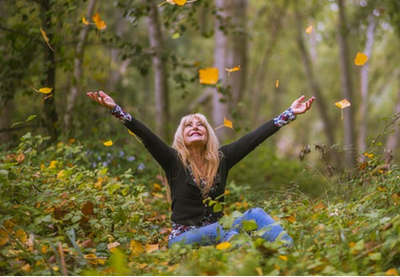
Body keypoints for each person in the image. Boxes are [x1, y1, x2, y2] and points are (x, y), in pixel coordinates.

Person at [87, 90, 315, 248]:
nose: (195, 127)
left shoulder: (222, 158)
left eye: (200, 125)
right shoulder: (173, 160)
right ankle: (243, 255)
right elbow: (146, 136)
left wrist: (290, 113)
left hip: (220, 229)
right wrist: (116, 109)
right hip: (183, 238)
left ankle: (289, 253)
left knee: (254, 215)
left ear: (208, 134)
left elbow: (254, 138)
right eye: (188, 125)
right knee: (227, 232)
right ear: (181, 136)